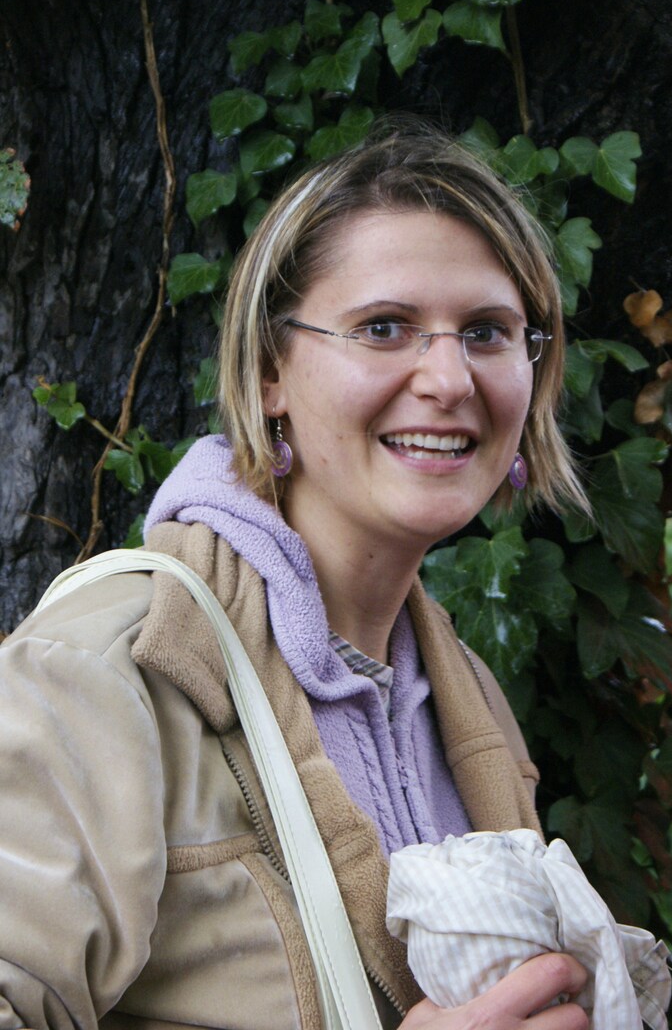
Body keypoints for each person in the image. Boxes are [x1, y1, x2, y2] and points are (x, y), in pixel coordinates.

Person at [0, 124, 594, 1030]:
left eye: (487, 332)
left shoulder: (457, 695)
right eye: (383, 328)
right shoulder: (105, 668)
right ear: (270, 368)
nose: (448, 378)